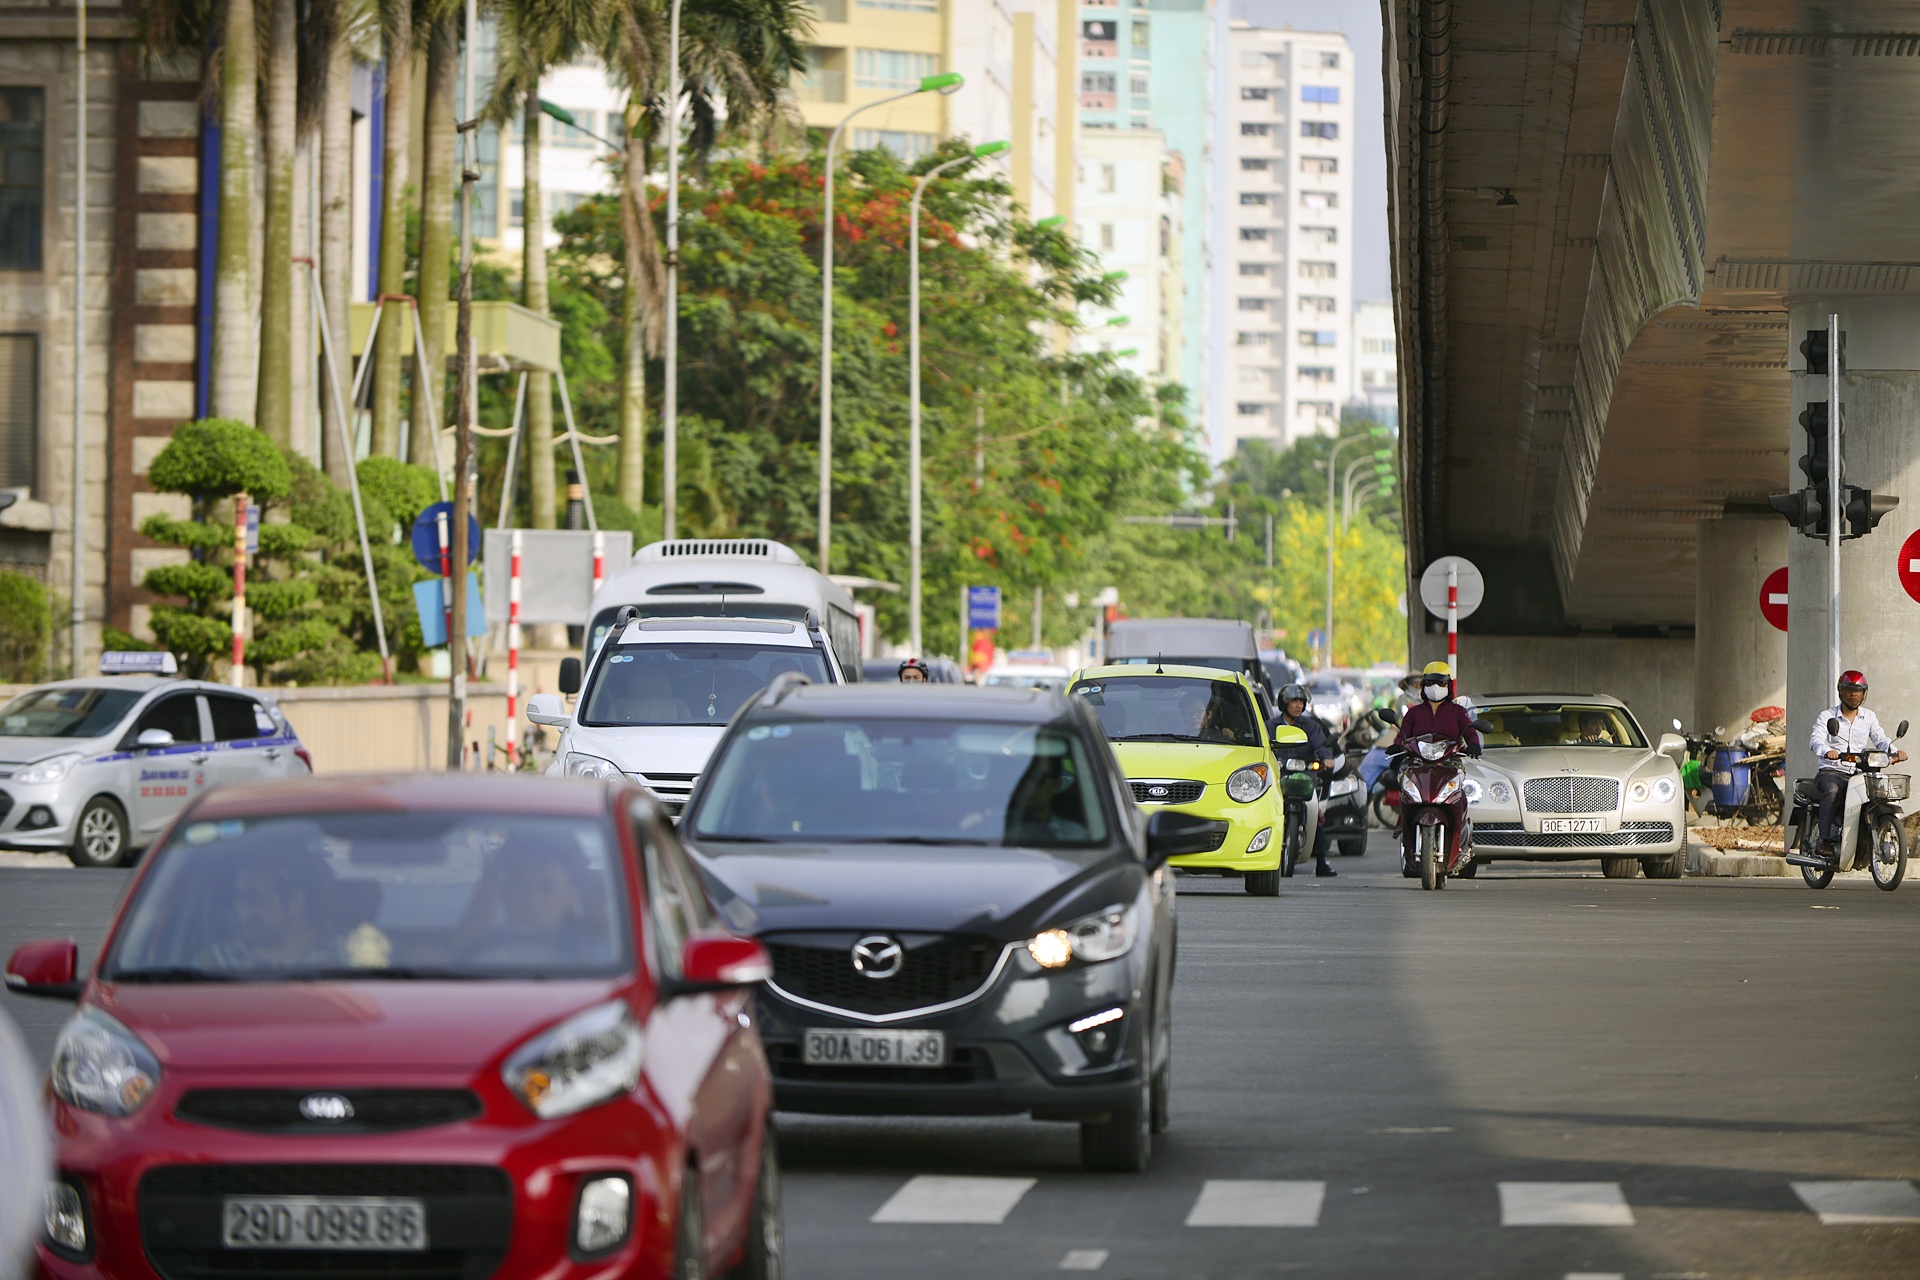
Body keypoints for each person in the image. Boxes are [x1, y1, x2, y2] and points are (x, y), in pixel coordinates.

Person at [1807, 669, 1907, 861]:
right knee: (1833, 790)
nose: (1854, 695)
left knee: (1879, 794)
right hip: (1832, 770)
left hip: (1858, 772)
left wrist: (1895, 752)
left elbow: (1881, 739)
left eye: (1858, 691)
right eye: (1850, 690)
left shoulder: (1868, 717)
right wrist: (1827, 751)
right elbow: (1816, 739)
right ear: (1841, 692)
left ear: (1864, 693)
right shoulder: (1828, 716)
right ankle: (1824, 840)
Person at [1274, 682, 1340, 877]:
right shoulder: (1271, 726)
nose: (1298, 706)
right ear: (1284, 703)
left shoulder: (1312, 726)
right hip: (1279, 778)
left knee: (1316, 814)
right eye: (1294, 701)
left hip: (1305, 778)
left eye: (1301, 702)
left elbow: (1321, 745)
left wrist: (1327, 758)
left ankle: (1321, 862)